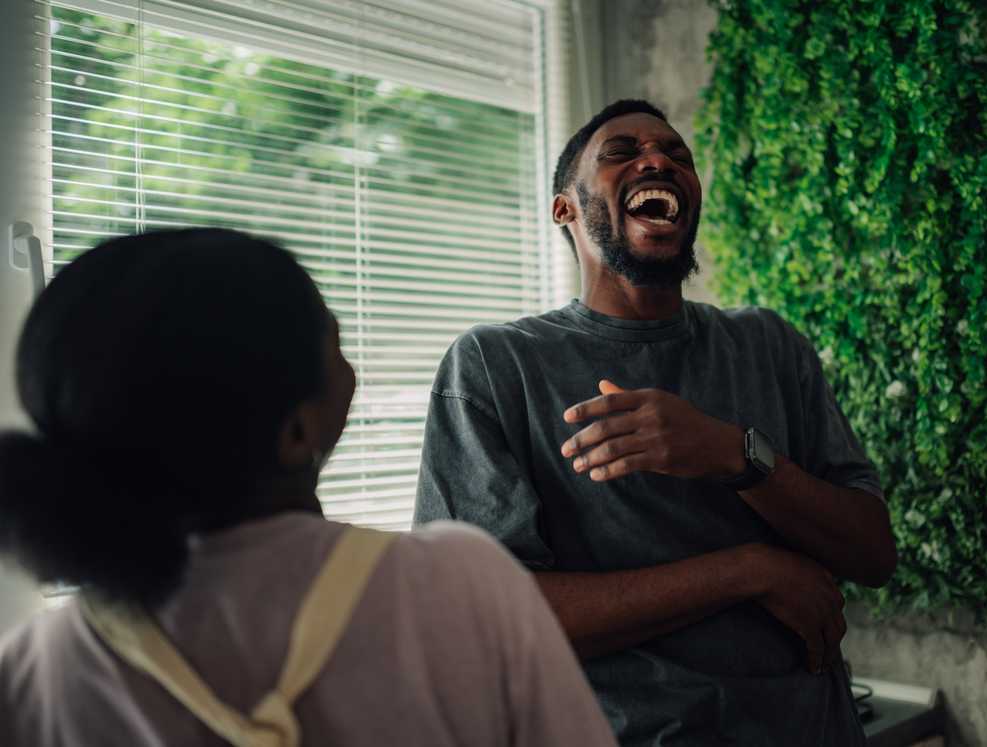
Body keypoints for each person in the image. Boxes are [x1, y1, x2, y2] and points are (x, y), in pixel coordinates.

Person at [0, 228, 617, 747]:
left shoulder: (35, 671)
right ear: (296, 430)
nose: (354, 371)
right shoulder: (454, 586)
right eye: (336, 345)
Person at [413, 100, 898, 746]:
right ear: (566, 209)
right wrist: (747, 569)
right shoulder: (496, 366)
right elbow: (481, 620)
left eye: (678, 155)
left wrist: (735, 454)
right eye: (621, 153)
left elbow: (873, 550)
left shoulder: (770, 345)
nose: (658, 161)